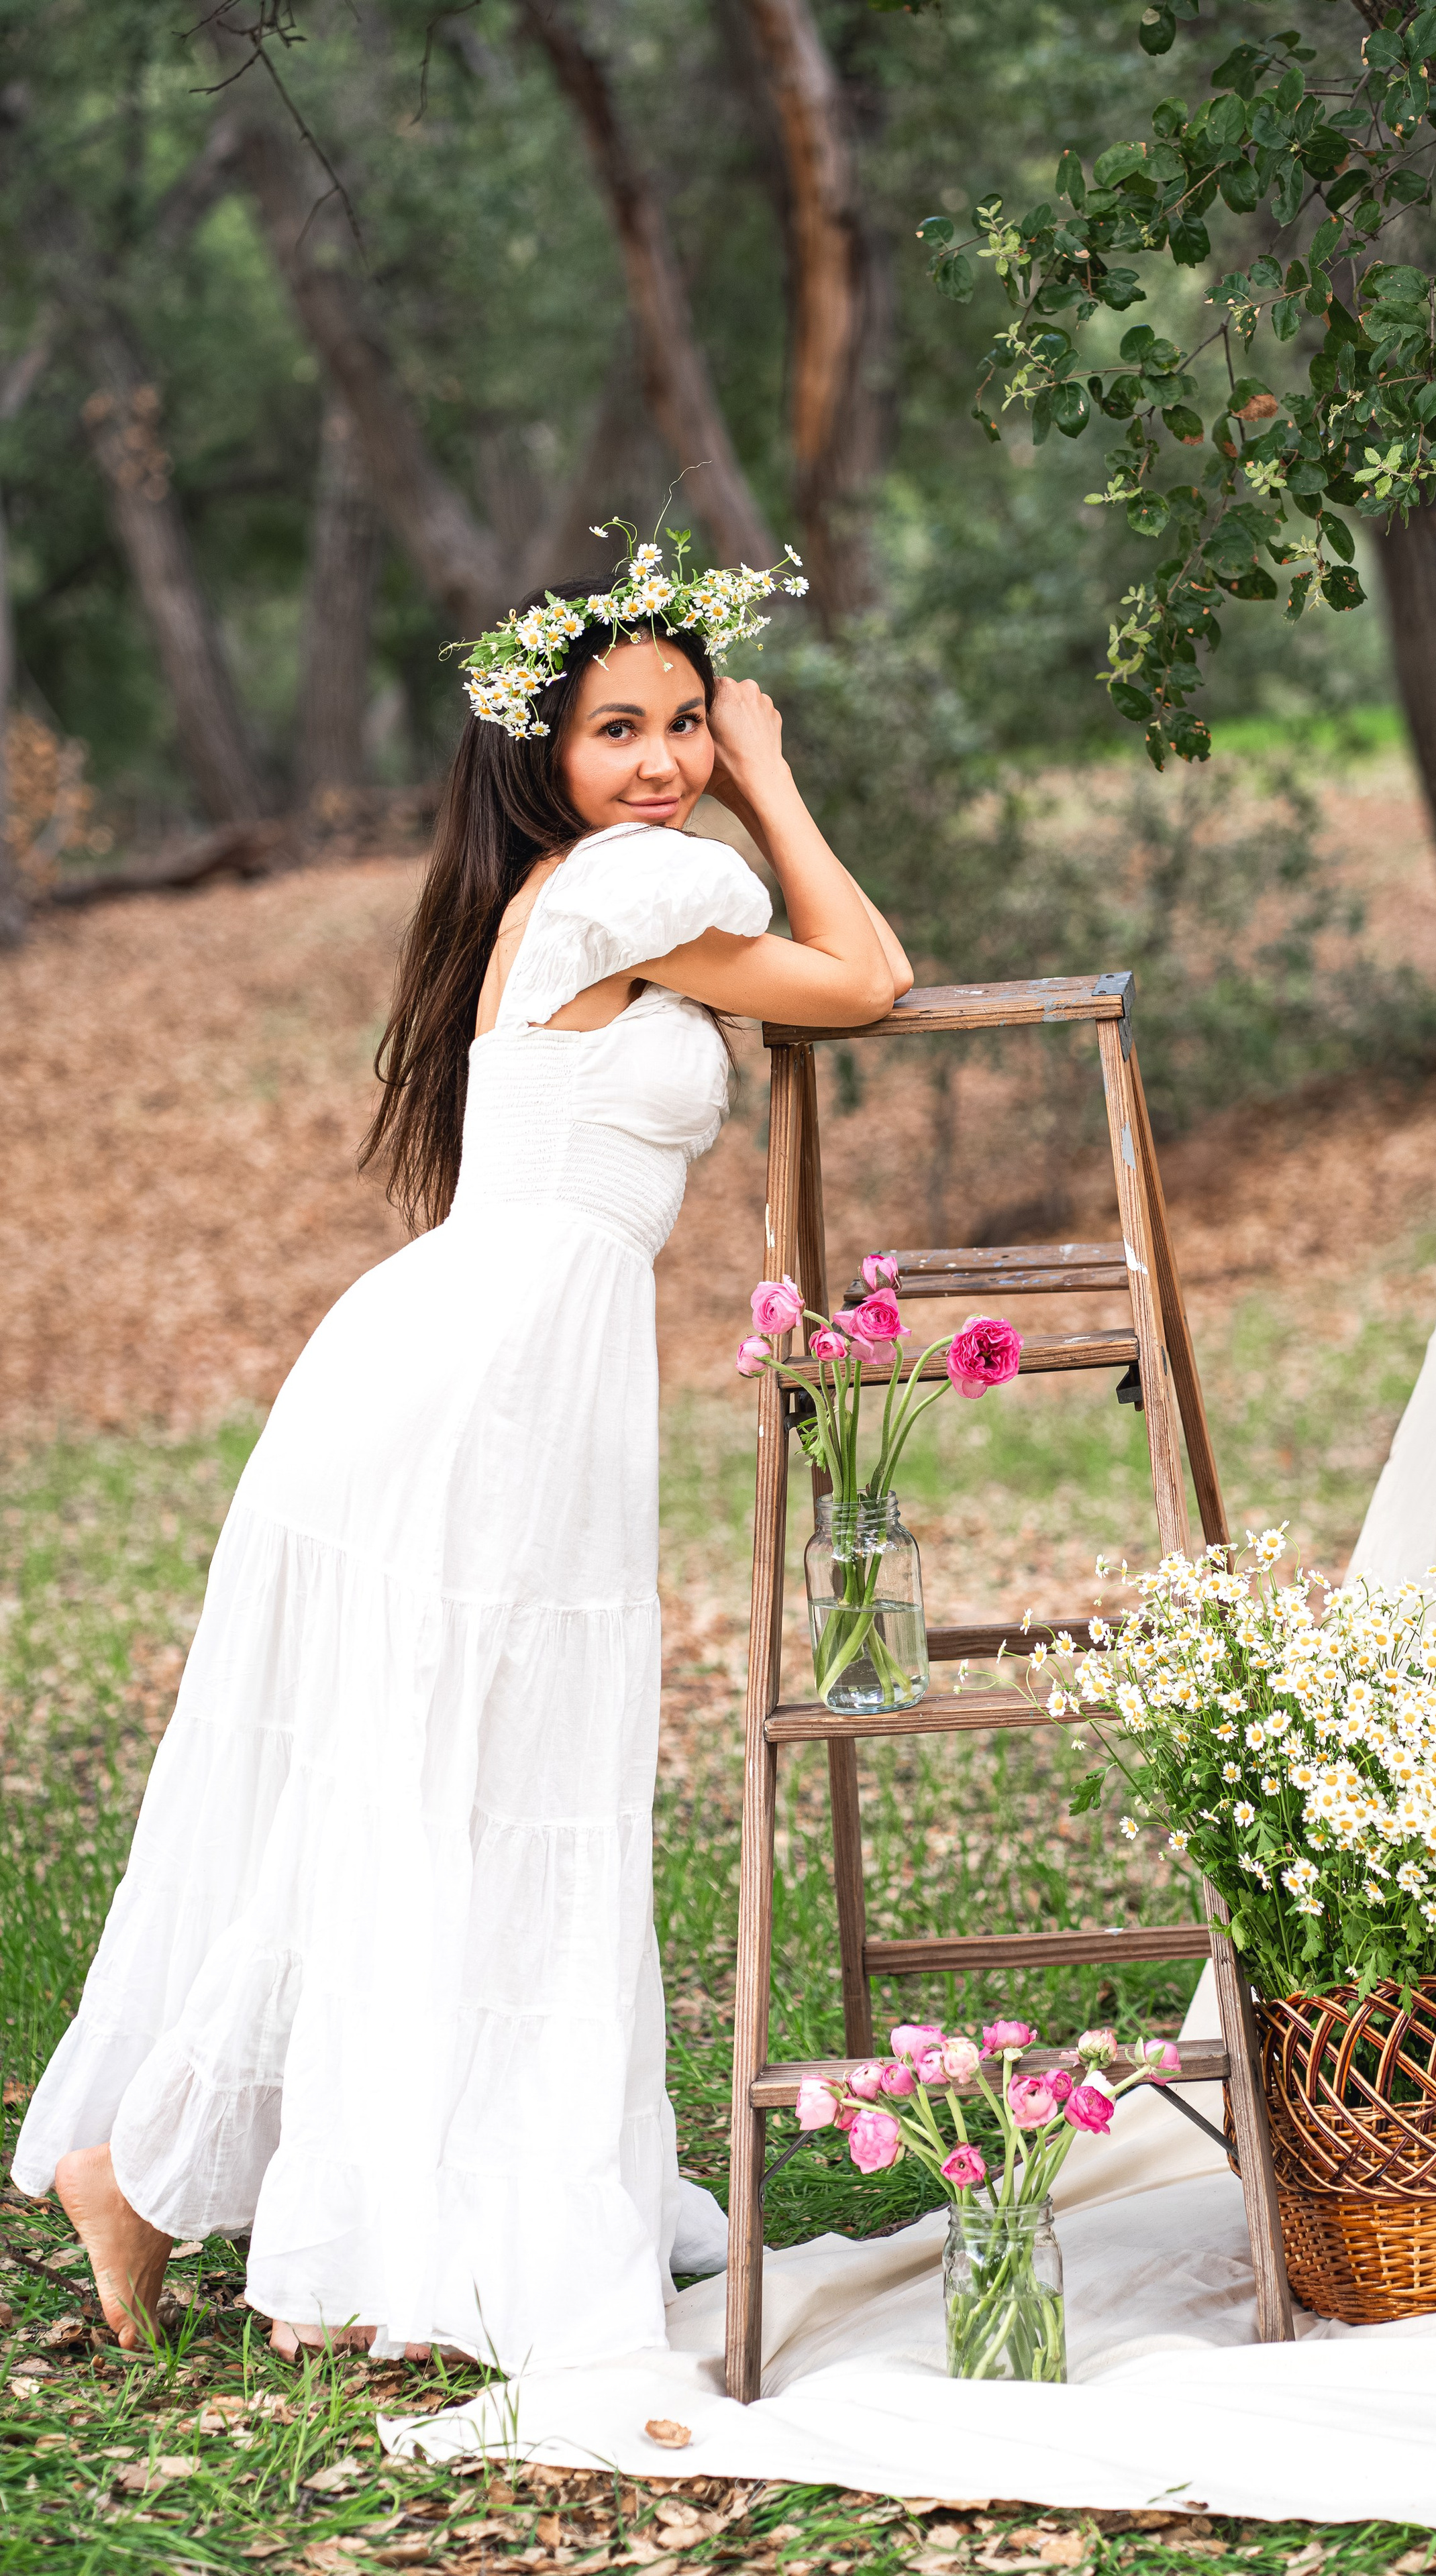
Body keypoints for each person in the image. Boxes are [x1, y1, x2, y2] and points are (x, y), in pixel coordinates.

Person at [11, 543, 911, 2369]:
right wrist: (774, 770)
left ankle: (321, 2190)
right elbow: (870, 975)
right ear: (542, 752)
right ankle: (173, 2172)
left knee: (461, 1787)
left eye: (685, 725)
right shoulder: (629, 890)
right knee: (425, 1784)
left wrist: (743, 765)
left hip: (500, 1369)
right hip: (480, 1386)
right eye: (620, 730)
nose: (663, 760)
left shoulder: (582, 901)